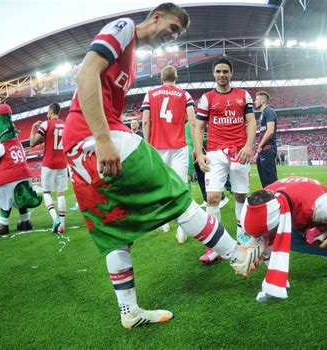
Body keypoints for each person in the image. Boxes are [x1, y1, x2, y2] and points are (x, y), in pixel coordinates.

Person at [61, 3, 263, 330]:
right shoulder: (124, 27)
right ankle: (238, 256)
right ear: (157, 16)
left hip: (78, 151)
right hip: (97, 137)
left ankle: (129, 311)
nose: (172, 37)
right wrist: (102, 138)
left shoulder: (133, 60)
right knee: (177, 195)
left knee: (115, 231)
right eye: (172, 28)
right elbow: (85, 73)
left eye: (177, 35)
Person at [240, 176, 327, 302]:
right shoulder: (263, 200)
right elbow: (261, 235)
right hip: (296, 220)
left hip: (320, 223)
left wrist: (326, 243)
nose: (258, 239)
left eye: (260, 234)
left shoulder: (318, 206)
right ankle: (280, 283)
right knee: (268, 241)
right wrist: (255, 253)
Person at [195, 57, 257, 263]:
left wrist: (248, 146)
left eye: (225, 71)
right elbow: (199, 127)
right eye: (218, 71)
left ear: (232, 73)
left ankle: (242, 235)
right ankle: (215, 246)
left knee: (240, 196)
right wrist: (199, 152)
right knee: (212, 198)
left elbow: (251, 122)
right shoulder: (207, 98)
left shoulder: (243, 95)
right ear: (214, 74)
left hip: (240, 152)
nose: (222, 75)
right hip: (214, 153)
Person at [140, 65, 196, 242]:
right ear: (176, 77)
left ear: (161, 78)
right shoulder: (184, 94)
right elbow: (193, 121)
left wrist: (147, 145)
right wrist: (196, 147)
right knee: (180, 186)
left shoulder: (150, 94)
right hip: (179, 146)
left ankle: (164, 221)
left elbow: (146, 121)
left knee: (160, 185)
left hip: (157, 146)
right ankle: (182, 229)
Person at [0, 104, 42, 235]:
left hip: (8, 179)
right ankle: (25, 221)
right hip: (25, 174)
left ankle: (3, 224)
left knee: (5, 199)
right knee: (21, 198)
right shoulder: (18, 144)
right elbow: (23, 156)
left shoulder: (3, 146)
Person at [30, 102, 68, 233]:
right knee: (61, 193)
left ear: (51, 111)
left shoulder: (46, 124)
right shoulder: (65, 125)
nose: (47, 114)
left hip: (49, 163)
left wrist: (33, 129)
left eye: (47, 111)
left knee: (46, 192)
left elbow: (32, 143)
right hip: (63, 163)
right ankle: (62, 225)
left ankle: (55, 219)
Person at [254, 91, 278, 188]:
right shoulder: (262, 114)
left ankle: (276, 201)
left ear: (263, 101)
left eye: (256, 99)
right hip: (263, 150)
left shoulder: (269, 111)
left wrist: (259, 146)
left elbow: (270, 131)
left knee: (270, 181)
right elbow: (263, 133)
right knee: (264, 182)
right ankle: (268, 200)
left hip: (268, 149)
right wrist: (258, 152)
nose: (255, 102)